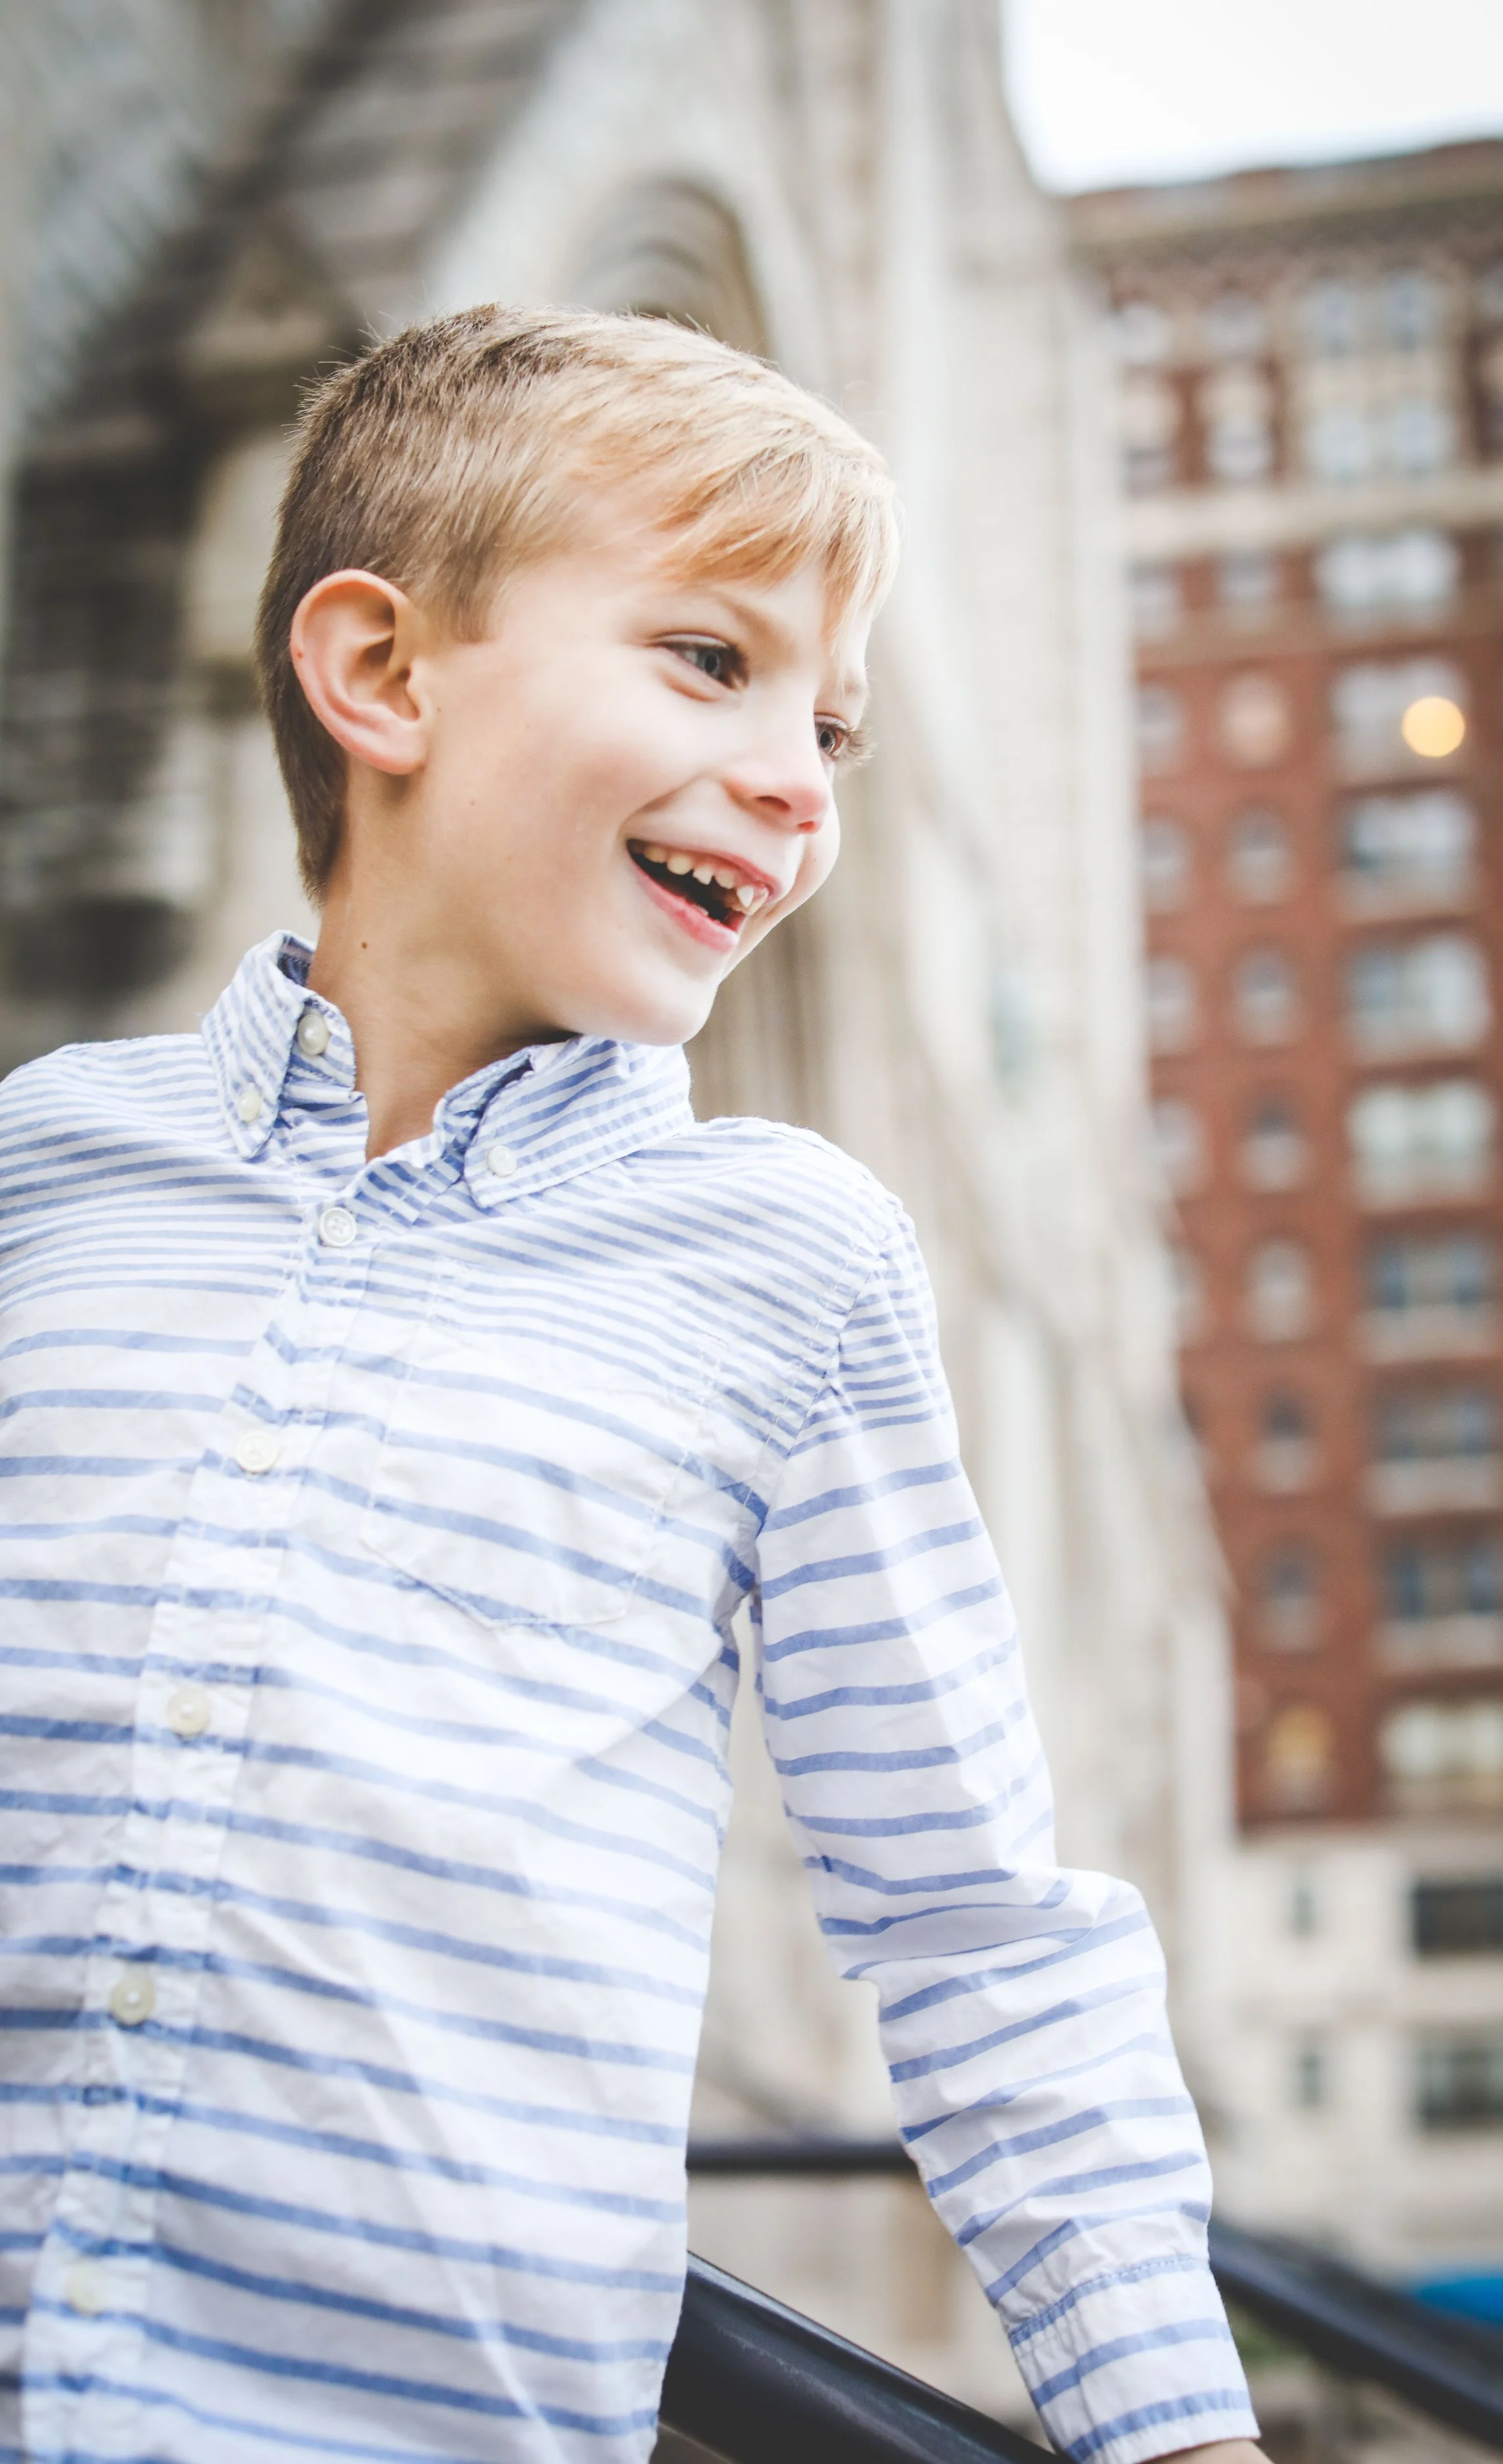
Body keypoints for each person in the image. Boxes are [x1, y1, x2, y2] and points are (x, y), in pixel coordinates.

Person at [0, 305, 1264, 2464]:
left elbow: (973, 1927)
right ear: (379, 674)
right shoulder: (46, 1174)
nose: (793, 775)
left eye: (833, 732)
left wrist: (1174, 2429)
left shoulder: (786, 1264)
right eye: (709, 658)